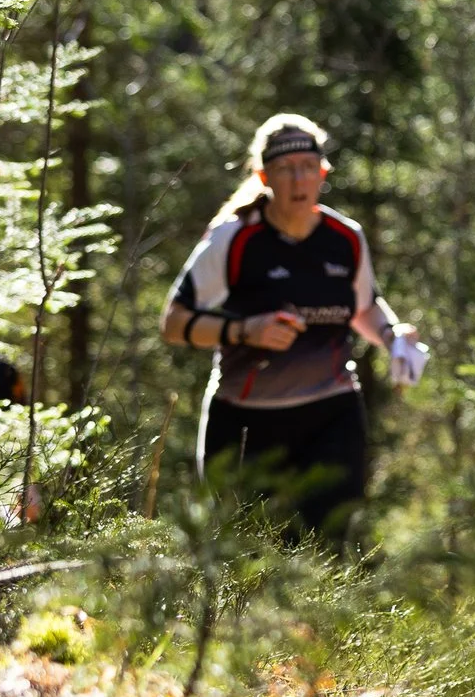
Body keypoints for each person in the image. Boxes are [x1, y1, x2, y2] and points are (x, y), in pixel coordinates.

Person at [159, 114, 430, 545]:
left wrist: (394, 335)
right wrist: (245, 331)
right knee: (241, 556)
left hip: (331, 414)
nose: (298, 179)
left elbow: (363, 307)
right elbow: (173, 323)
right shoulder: (234, 239)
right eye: (286, 170)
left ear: (323, 174)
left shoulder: (346, 237)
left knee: (327, 550)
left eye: (308, 167)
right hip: (246, 420)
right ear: (265, 177)